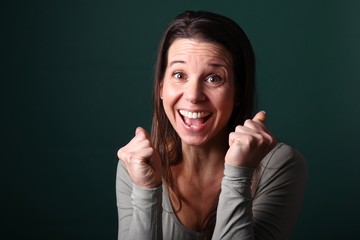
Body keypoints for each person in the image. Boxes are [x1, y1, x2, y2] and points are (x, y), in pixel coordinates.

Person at [116, 10, 307, 240]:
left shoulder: (279, 165)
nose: (194, 95)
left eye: (214, 78)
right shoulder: (136, 165)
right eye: (179, 75)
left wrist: (238, 174)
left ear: (238, 91)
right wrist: (146, 190)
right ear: (160, 88)